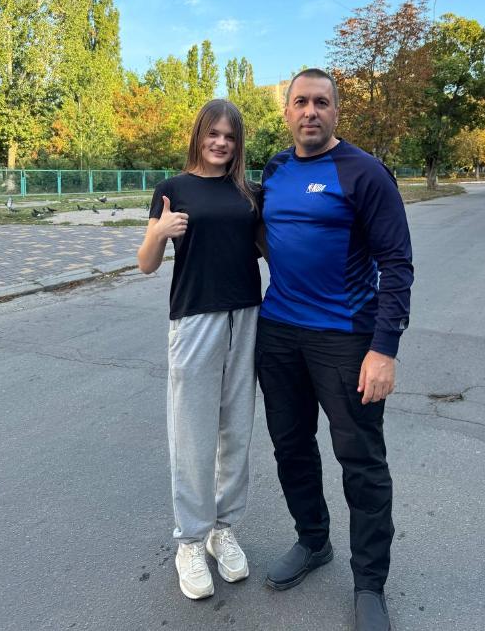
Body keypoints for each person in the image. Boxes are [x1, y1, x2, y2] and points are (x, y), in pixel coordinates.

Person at [256, 69, 413, 631]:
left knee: (361, 463)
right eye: (300, 102)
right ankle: (313, 539)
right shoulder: (274, 169)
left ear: (337, 111)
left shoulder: (364, 172)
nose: (310, 112)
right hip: (278, 334)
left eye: (321, 102)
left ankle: (369, 584)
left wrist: (384, 349)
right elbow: (261, 235)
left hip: (346, 339)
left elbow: (397, 264)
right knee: (291, 446)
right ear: (286, 112)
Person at [137, 100, 262, 601]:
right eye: (214, 133)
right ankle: (189, 540)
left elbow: (272, 249)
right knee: (192, 433)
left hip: (247, 317)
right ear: (199, 135)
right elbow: (147, 263)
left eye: (230, 136)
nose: (221, 143)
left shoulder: (248, 193)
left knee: (236, 429)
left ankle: (222, 530)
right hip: (195, 319)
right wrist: (159, 233)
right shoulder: (173, 190)